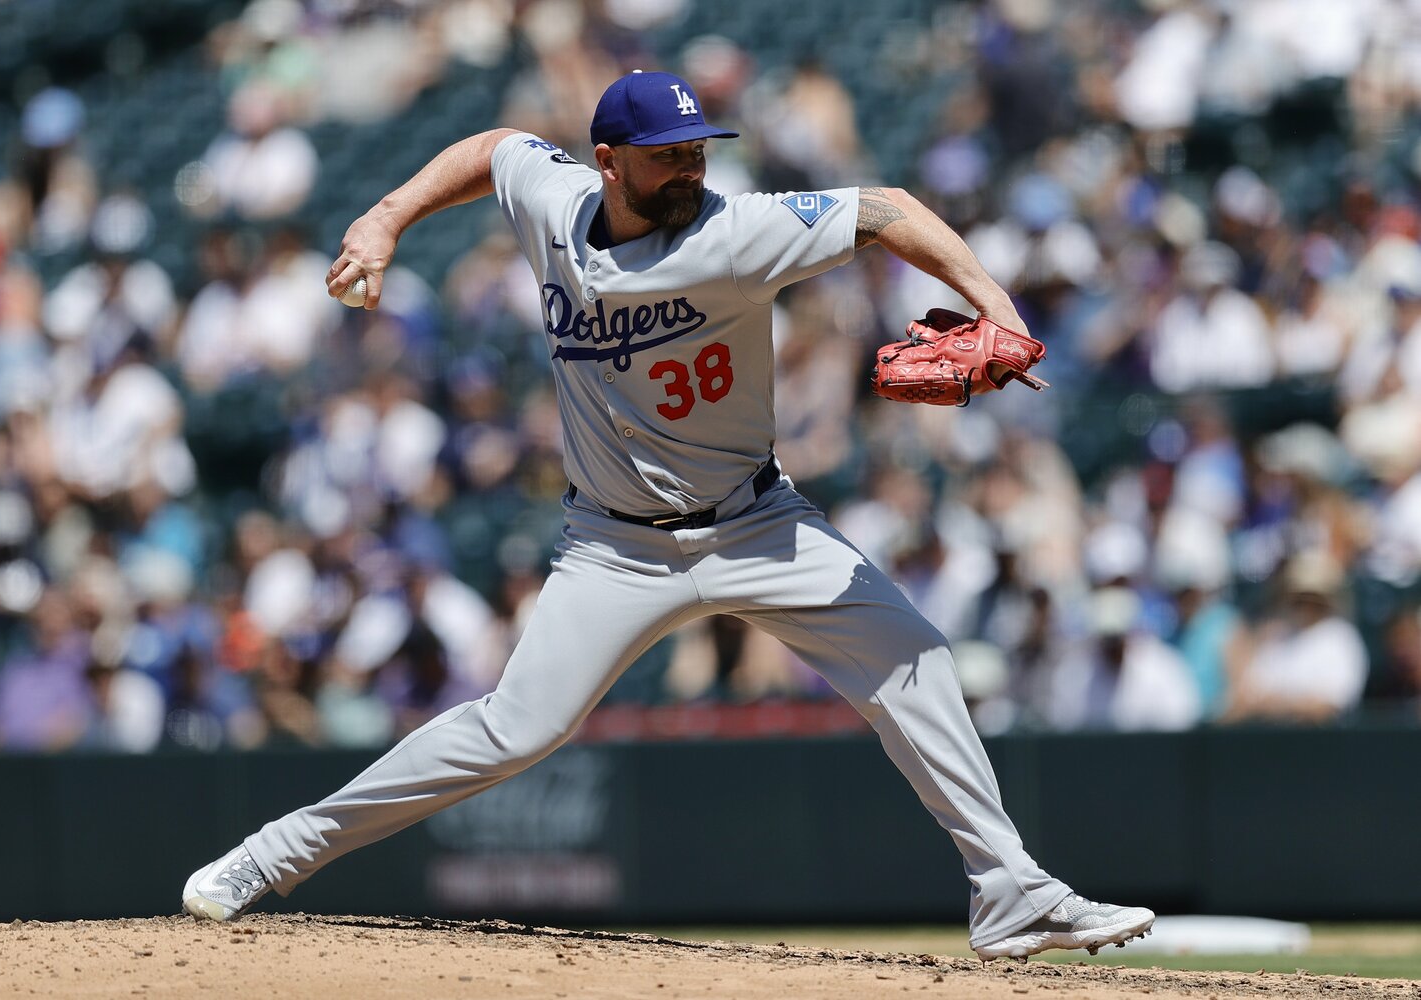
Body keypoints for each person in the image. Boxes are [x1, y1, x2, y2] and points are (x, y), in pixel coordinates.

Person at [181, 69, 1155, 960]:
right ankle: (271, 856)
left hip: (757, 523)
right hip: (614, 546)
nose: (692, 167)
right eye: (669, 155)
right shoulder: (555, 203)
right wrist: (387, 217)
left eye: (699, 148)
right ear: (608, 163)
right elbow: (491, 149)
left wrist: (999, 307)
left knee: (915, 656)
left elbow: (887, 209)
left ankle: (1008, 890)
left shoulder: (736, 230)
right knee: (514, 730)